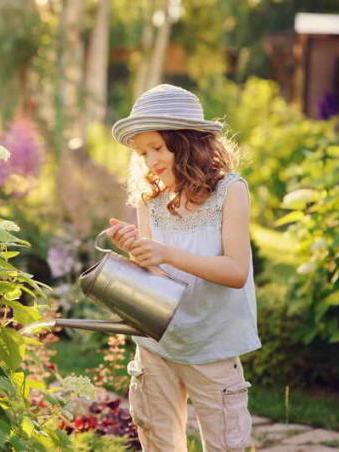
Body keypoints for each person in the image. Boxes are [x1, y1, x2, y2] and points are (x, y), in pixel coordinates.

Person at [105, 84, 261, 452]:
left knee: (226, 444)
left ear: (188, 141)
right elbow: (156, 279)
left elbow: (235, 271)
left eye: (157, 147)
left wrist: (164, 253)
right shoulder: (150, 198)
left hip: (212, 343)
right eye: (143, 153)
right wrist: (138, 252)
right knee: (158, 443)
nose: (150, 160)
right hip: (157, 344)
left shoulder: (230, 192)